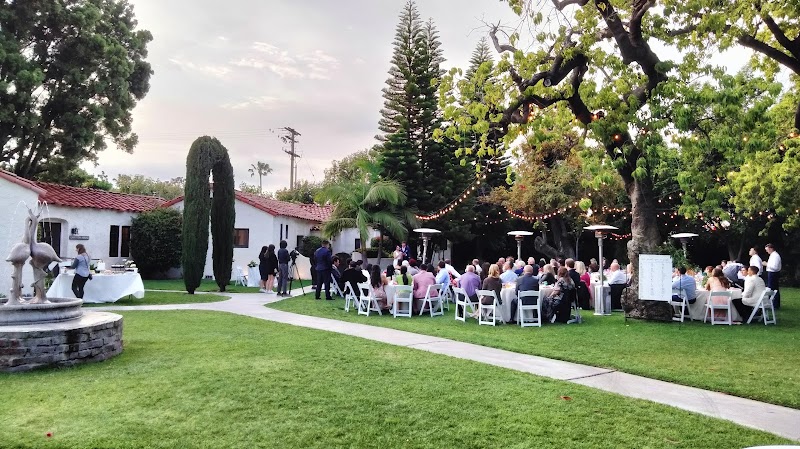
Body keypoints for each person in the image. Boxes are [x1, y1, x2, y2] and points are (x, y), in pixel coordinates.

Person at [763, 243, 782, 309]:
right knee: (774, 288)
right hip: (772, 273)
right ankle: (774, 304)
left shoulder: (775, 256)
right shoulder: (773, 255)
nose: (766, 251)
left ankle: (775, 304)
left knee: (773, 288)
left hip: (773, 273)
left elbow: (775, 267)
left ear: (770, 248)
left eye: (767, 249)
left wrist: (766, 264)